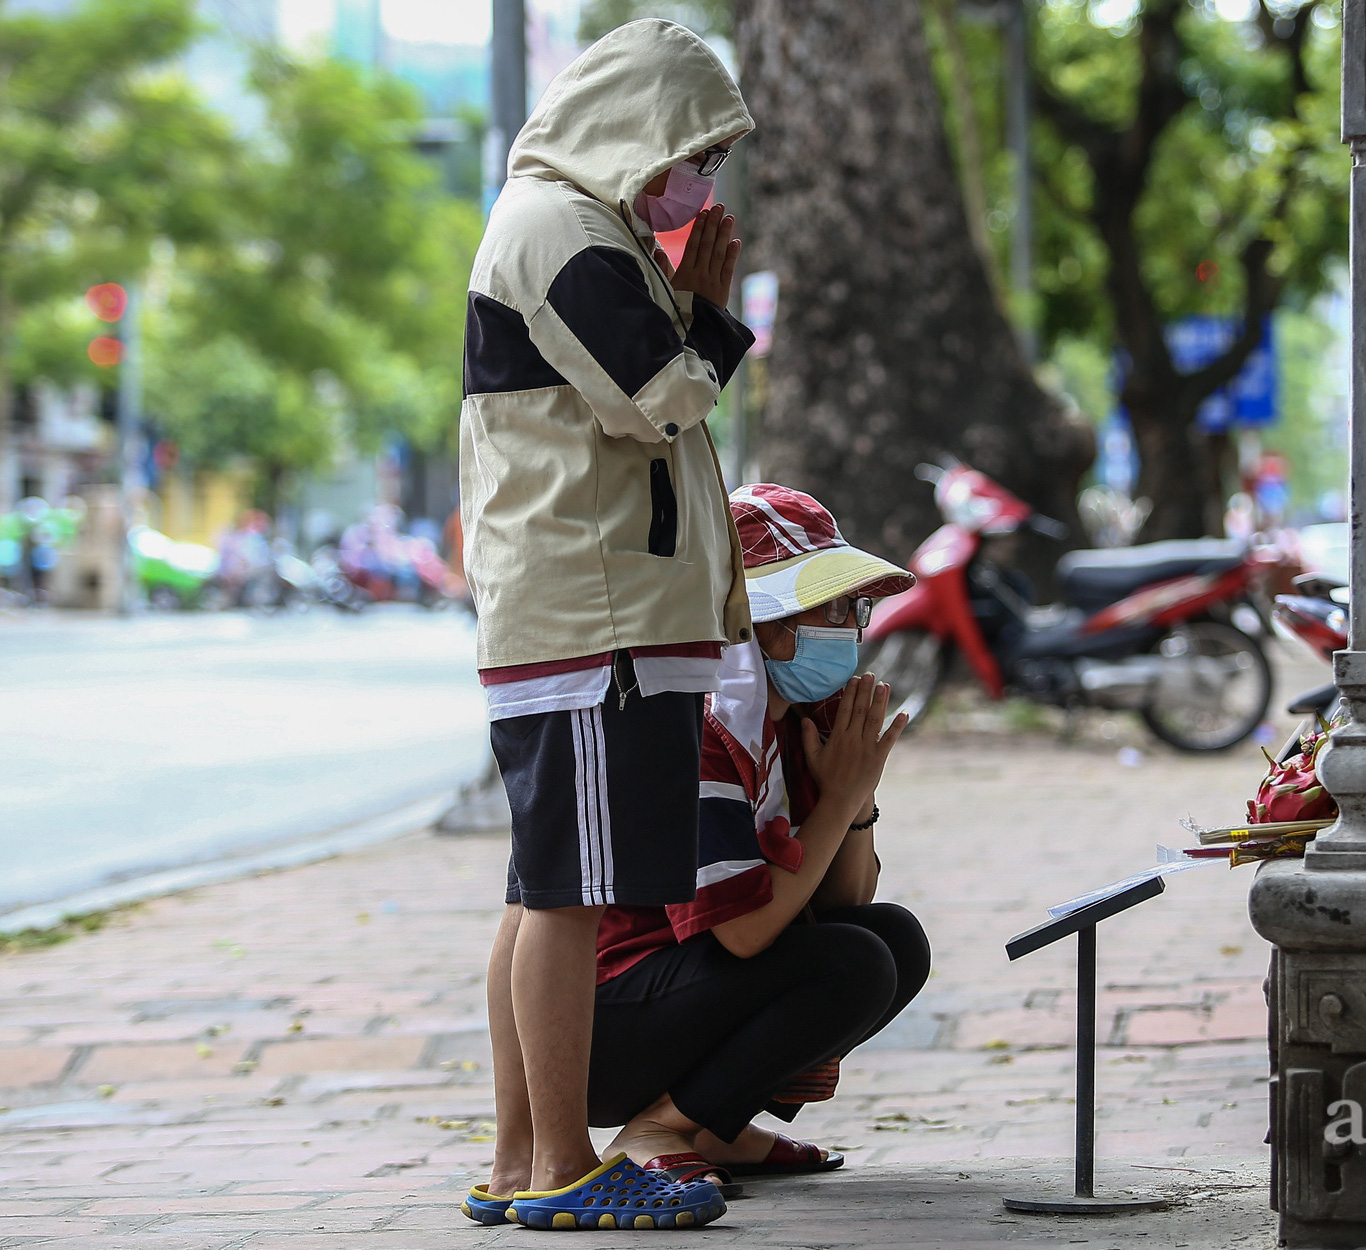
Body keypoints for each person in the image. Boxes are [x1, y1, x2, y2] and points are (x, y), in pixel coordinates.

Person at [456, 19, 759, 1233]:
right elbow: (660, 397)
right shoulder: (563, 231)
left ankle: (523, 1154)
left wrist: (682, 293)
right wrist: (709, 309)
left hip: (596, 610)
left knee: (547, 888)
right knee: (567, 893)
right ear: (631, 128)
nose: (696, 182)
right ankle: (560, 1167)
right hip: (595, 617)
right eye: (691, 152)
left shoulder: (588, 228)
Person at [584, 484, 929, 1185]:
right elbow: (742, 935)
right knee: (852, 965)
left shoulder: (796, 713)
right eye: (825, 605)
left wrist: (854, 796)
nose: (847, 626)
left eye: (850, 607)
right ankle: (656, 1128)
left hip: (693, 992)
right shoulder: (702, 725)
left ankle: (716, 1126)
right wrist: (837, 799)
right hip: (612, 1023)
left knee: (892, 940)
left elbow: (844, 902)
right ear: (755, 619)